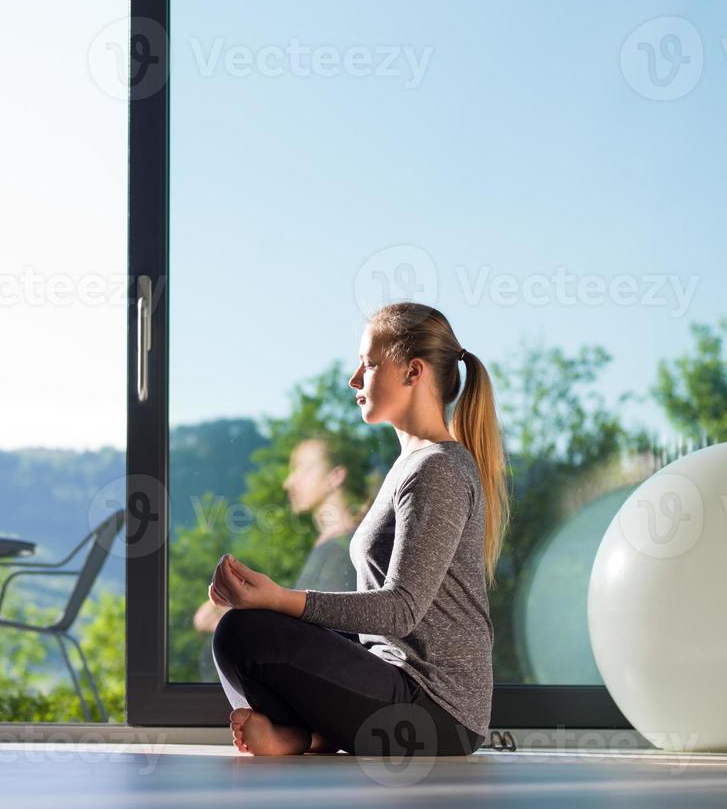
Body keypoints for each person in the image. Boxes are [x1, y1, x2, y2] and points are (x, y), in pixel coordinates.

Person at [209, 302, 510, 758]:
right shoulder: (411, 465)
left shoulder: (438, 470)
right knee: (250, 625)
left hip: (437, 712)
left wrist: (276, 599)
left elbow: (400, 611)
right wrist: (270, 606)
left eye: (369, 364)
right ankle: (309, 738)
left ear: (413, 372)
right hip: (397, 683)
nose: (355, 379)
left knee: (245, 634)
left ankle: (303, 738)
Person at [191, 436, 365, 681]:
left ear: (336, 476)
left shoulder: (345, 550)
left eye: (302, 469)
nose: (288, 482)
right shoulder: (329, 547)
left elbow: (330, 637)